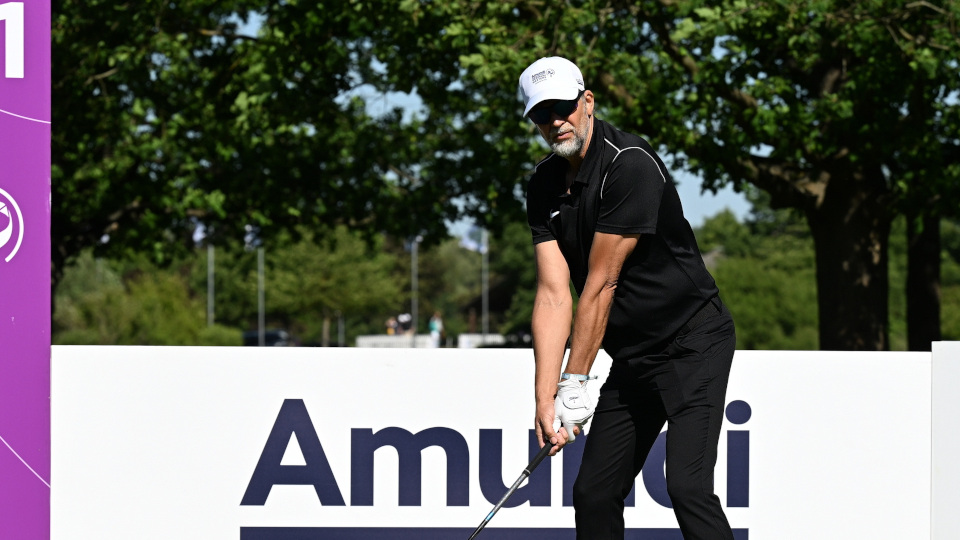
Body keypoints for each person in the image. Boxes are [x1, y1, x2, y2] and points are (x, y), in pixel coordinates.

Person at [518, 56, 737, 539]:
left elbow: (601, 283)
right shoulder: (542, 185)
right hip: (635, 356)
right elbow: (555, 295)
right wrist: (546, 397)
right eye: (541, 114)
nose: (555, 121)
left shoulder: (629, 164)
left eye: (563, 107)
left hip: (692, 342)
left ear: (587, 102)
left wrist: (575, 381)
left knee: (687, 487)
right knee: (594, 492)